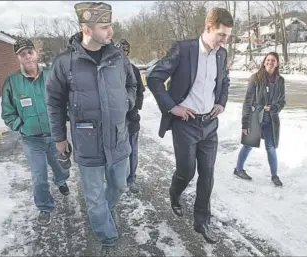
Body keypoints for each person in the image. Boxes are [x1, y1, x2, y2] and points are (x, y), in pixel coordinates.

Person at [45, 2, 137, 255]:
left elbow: (133, 85)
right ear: (86, 28)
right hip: (87, 141)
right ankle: (106, 236)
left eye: (111, 25)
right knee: (94, 198)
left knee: (119, 185)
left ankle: (103, 214)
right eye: (105, 26)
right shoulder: (65, 62)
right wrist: (59, 138)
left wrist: (127, 102)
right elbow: (53, 101)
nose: (111, 31)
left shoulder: (118, 57)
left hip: (118, 137)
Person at [147, 7, 233, 244]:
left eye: (227, 36)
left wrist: (221, 103)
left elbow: (224, 80)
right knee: (187, 171)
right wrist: (173, 107)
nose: (224, 41)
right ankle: (175, 193)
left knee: (208, 173)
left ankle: (202, 221)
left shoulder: (221, 54)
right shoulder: (183, 50)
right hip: (186, 124)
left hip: (209, 124)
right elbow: (154, 77)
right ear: (208, 28)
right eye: (221, 35)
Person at [1, 38, 71, 226]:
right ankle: (44, 207)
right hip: (32, 141)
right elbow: (7, 113)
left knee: (60, 167)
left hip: (55, 136)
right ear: (18, 58)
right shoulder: (12, 82)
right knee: (39, 176)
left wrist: (67, 117)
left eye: (30, 52)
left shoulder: (51, 75)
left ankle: (61, 181)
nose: (27, 57)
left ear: (36, 54)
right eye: (22, 54)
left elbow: (64, 98)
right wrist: (21, 126)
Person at [234, 52, 285, 187]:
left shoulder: (280, 80)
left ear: (277, 63)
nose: (270, 62)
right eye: (268, 60)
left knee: (271, 148)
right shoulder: (255, 78)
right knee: (248, 145)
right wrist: (245, 123)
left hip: (271, 120)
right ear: (264, 62)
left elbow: (282, 101)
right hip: (255, 117)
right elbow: (247, 102)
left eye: (273, 60)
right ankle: (238, 169)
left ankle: (275, 176)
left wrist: (274, 108)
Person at [115, 39, 145, 193]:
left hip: (131, 118)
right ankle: (116, 180)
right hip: (115, 119)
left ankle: (131, 178)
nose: (122, 54)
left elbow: (140, 91)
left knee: (132, 150)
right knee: (116, 151)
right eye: (120, 51)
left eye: (125, 51)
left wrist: (135, 108)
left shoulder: (134, 70)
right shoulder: (110, 70)